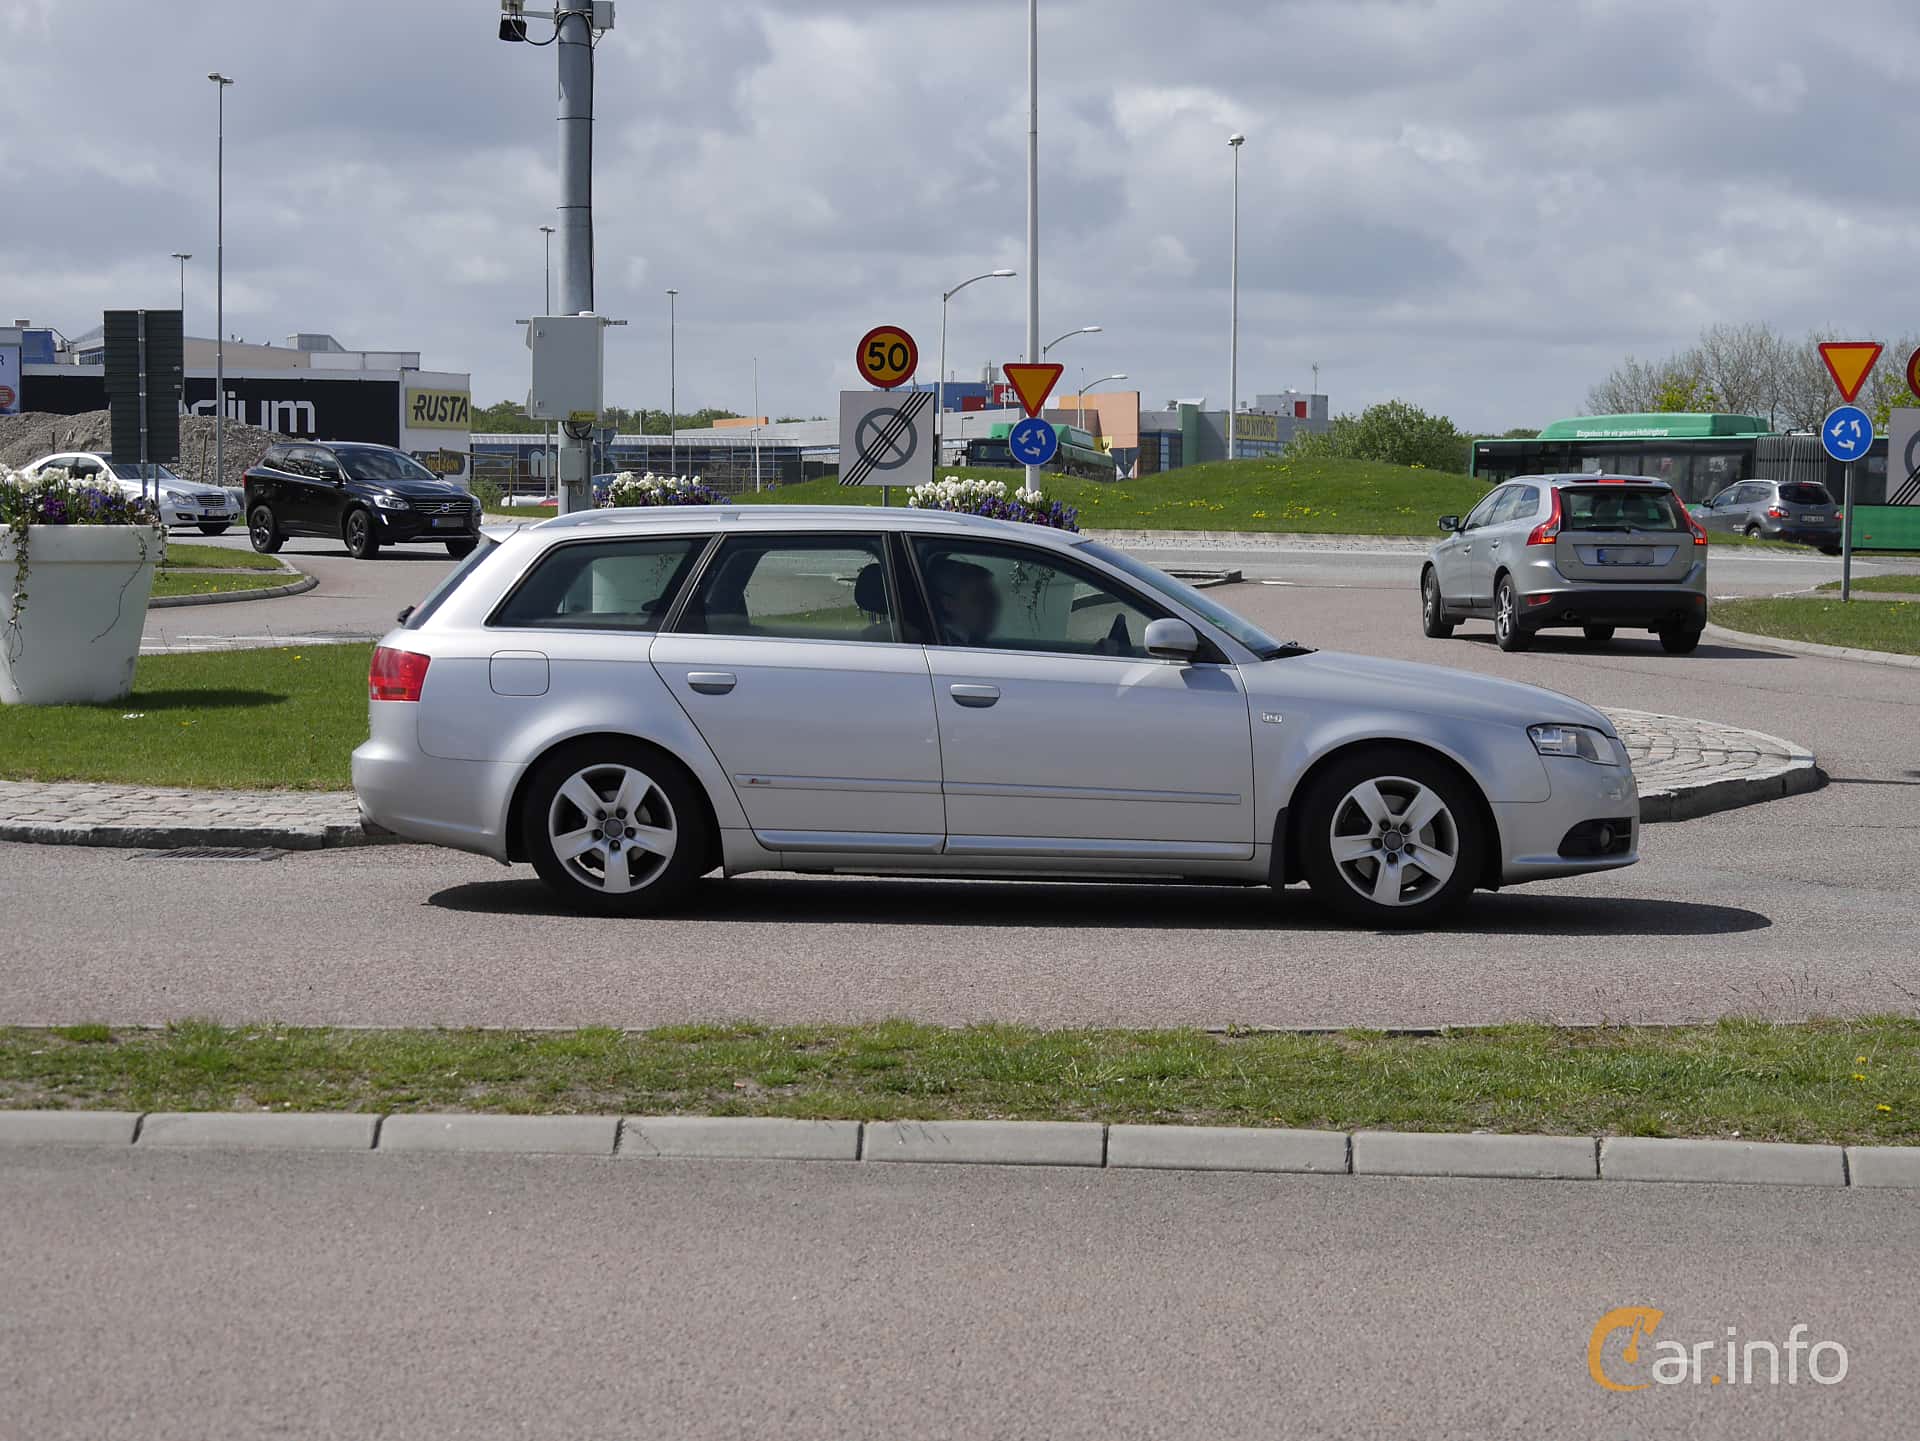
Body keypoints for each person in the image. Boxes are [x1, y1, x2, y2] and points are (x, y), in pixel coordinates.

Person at [926, 558, 1001, 647]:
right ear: (949, 604)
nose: (991, 606)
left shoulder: (968, 642)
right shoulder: (951, 648)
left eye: (992, 598)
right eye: (979, 598)